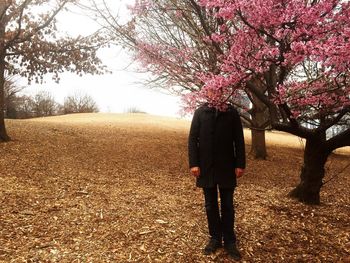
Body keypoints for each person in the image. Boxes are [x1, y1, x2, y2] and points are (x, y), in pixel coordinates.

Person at [188, 102, 246, 260]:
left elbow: (239, 139)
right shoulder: (200, 112)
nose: (215, 93)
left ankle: (229, 241)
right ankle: (215, 238)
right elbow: (193, 138)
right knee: (210, 205)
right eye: (212, 89)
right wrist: (194, 163)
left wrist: (240, 164)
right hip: (206, 167)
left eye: (219, 89)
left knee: (228, 205)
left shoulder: (231, 112)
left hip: (227, 166)